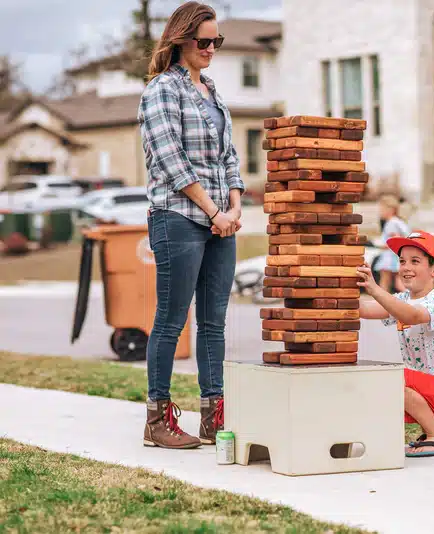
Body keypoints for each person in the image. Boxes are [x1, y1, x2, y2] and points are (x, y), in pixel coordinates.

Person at [138, 1, 243, 450]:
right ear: (181, 39)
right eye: (203, 41)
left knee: (214, 323)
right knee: (170, 320)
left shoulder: (213, 92)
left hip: (222, 223)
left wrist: (235, 208)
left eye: (216, 41)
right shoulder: (162, 90)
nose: (211, 49)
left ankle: (212, 417)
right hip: (178, 218)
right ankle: (157, 420)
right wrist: (213, 211)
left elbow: (229, 157)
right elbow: (171, 161)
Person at [357, 231, 434, 457]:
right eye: (402, 261)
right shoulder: (401, 300)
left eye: (415, 261)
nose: (405, 267)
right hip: (430, 394)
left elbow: (411, 316)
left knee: (393, 377)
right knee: (385, 384)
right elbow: (365, 310)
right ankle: (431, 431)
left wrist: (375, 288)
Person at [374, 194, 410, 293]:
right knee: (398, 282)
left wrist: (380, 245)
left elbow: (395, 240)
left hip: (389, 257)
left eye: (381, 209)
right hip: (398, 256)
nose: (379, 212)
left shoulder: (391, 223)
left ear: (390, 209)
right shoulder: (398, 222)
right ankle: (411, 300)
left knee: (385, 282)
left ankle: (381, 303)